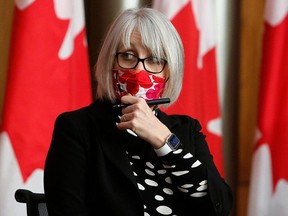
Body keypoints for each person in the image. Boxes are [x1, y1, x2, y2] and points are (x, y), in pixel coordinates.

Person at [44, 7, 233, 216]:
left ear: (169, 72)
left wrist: (165, 142)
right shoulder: (77, 129)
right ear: (110, 62)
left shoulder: (186, 130)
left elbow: (219, 207)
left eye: (154, 60)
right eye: (127, 56)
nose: (138, 71)